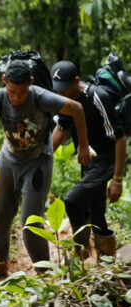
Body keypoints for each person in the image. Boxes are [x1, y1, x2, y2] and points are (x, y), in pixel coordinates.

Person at [0, 60, 91, 277]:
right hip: (9, 159)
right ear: (4, 81)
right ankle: (0, 262)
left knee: (30, 224)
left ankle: (44, 274)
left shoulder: (41, 97)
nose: (16, 98)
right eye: (12, 91)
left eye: (22, 92)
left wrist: (83, 145)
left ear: (31, 84)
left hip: (38, 161)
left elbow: (77, 109)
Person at [50, 60, 126, 258]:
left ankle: (80, 252)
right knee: (96, 211)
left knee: (72, 201)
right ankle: (107, 261)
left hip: (105, 161)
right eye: (57, 89)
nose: (60, 93)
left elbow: (120, 137)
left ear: (76, 81)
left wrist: (117, 179)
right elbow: (61, 128)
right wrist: (43, 156)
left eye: (63, 88)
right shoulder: (65, 101)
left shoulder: (97, 97)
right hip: (88, 163)